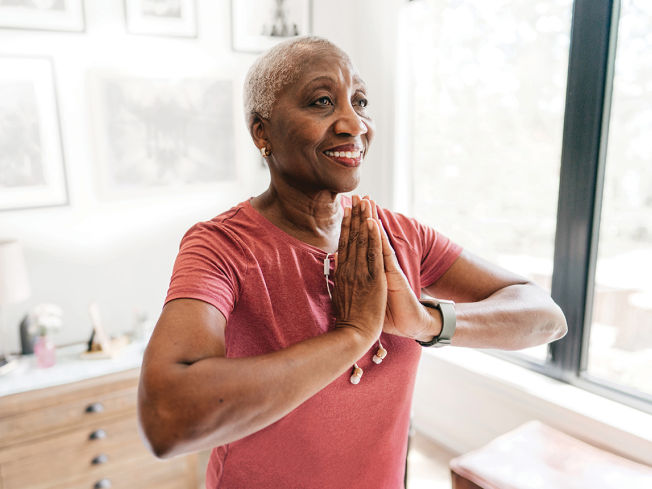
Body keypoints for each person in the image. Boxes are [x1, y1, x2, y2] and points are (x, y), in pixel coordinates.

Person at [137, 36, 567, 488]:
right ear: (262, 132)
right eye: (322, 102)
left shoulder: (396, 234)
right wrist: (353, 336)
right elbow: (167, 420)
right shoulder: (221, 247)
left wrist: (425, 321)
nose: (353, 123)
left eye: (360, 101)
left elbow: (545, 317)